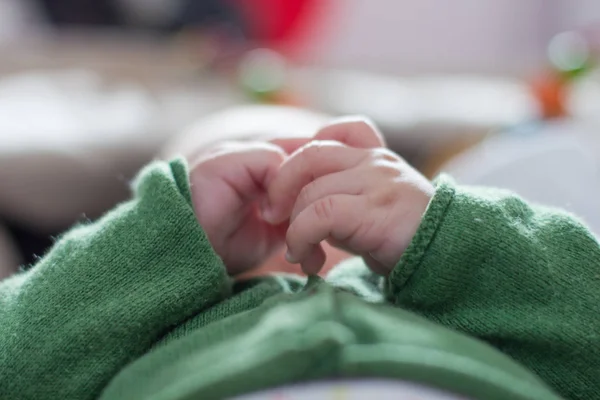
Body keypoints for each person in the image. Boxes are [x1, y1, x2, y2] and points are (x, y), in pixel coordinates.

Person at [0, 113, 598, 400]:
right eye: (224, 182)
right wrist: (154, 242)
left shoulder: (479, 303)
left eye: (328, 171)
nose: (275, 203)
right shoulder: (123, 332)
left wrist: (446, 234)